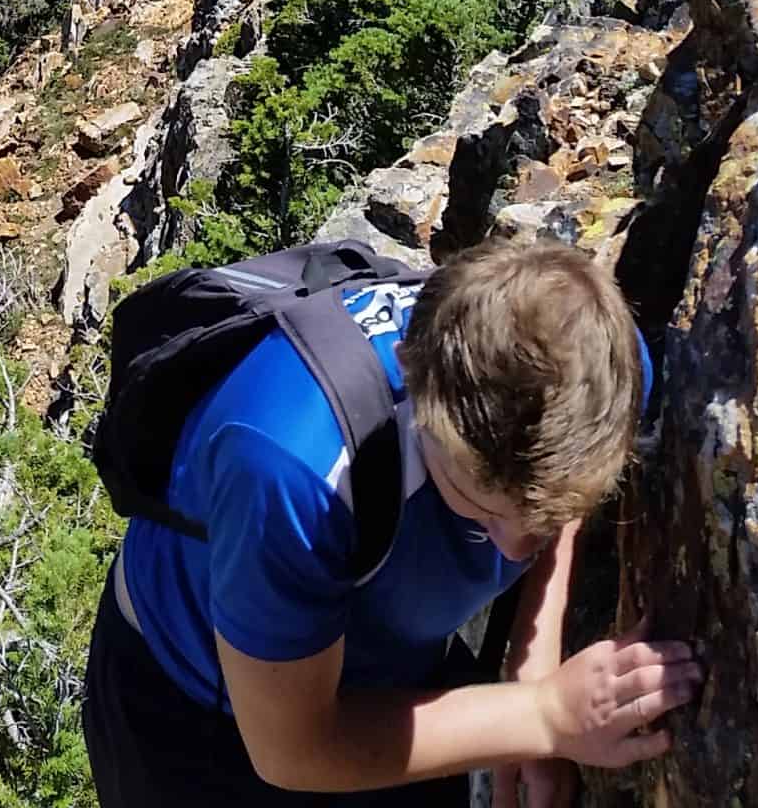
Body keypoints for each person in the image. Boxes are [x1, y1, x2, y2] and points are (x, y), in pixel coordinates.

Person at [83, 237, 700, 807]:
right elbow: (293, 749)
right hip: (199, 714)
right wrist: (543, 718)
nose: (514, 550)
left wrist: (531, 668)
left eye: (544, 516)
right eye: (482, 507)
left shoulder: (600, 365)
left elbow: (548, 496)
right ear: (413, 382)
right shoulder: (291, 465)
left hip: (381, 658)